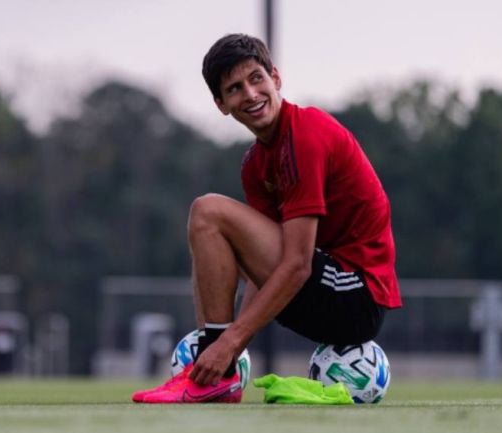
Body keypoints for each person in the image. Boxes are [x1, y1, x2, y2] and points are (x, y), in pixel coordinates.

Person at [132, 33, 402, 404]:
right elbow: (262, 262)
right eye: (235, 88)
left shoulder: (306, 134)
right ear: (221, 104)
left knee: (208, 211)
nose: (251, 94)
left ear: (276, 78)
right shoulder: (255, 164)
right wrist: (232, 348)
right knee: (212, 225)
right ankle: (216, 378)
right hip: (326, 292)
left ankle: (216, 373)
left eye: (256, 78)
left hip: (357, 298)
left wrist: (229, 343)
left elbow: (295, 266)